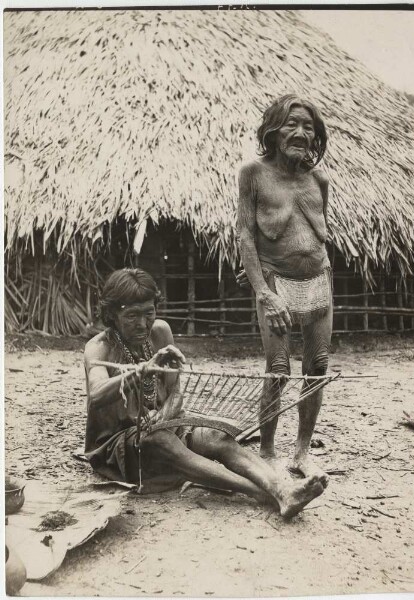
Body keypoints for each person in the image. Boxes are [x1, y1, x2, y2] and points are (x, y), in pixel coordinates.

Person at [84, 268, 327, 518]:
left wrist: (166, 415)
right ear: (113, 314)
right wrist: (141, 372)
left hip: (161, 427)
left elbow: (176, 392)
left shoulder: (160, 332)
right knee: (159, 441)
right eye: (132, 316)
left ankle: (281, 489)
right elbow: (97, 395)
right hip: (118, 445)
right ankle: (266, 493)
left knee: (214, 435)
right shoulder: (99, 348)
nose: (143, 323)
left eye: (149, 313)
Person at [237, 94, 332, 480]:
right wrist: (263, 291)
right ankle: (267, 449)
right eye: (292, 124)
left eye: (308, 126)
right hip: (275, 281)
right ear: (274, 130)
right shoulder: (253, 174)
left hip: (320, 280)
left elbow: (317, 233)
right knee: (278, 370)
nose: (300, 133)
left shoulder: (318, 179)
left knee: (318, 367)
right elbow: (245, 235)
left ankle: (302, 451)